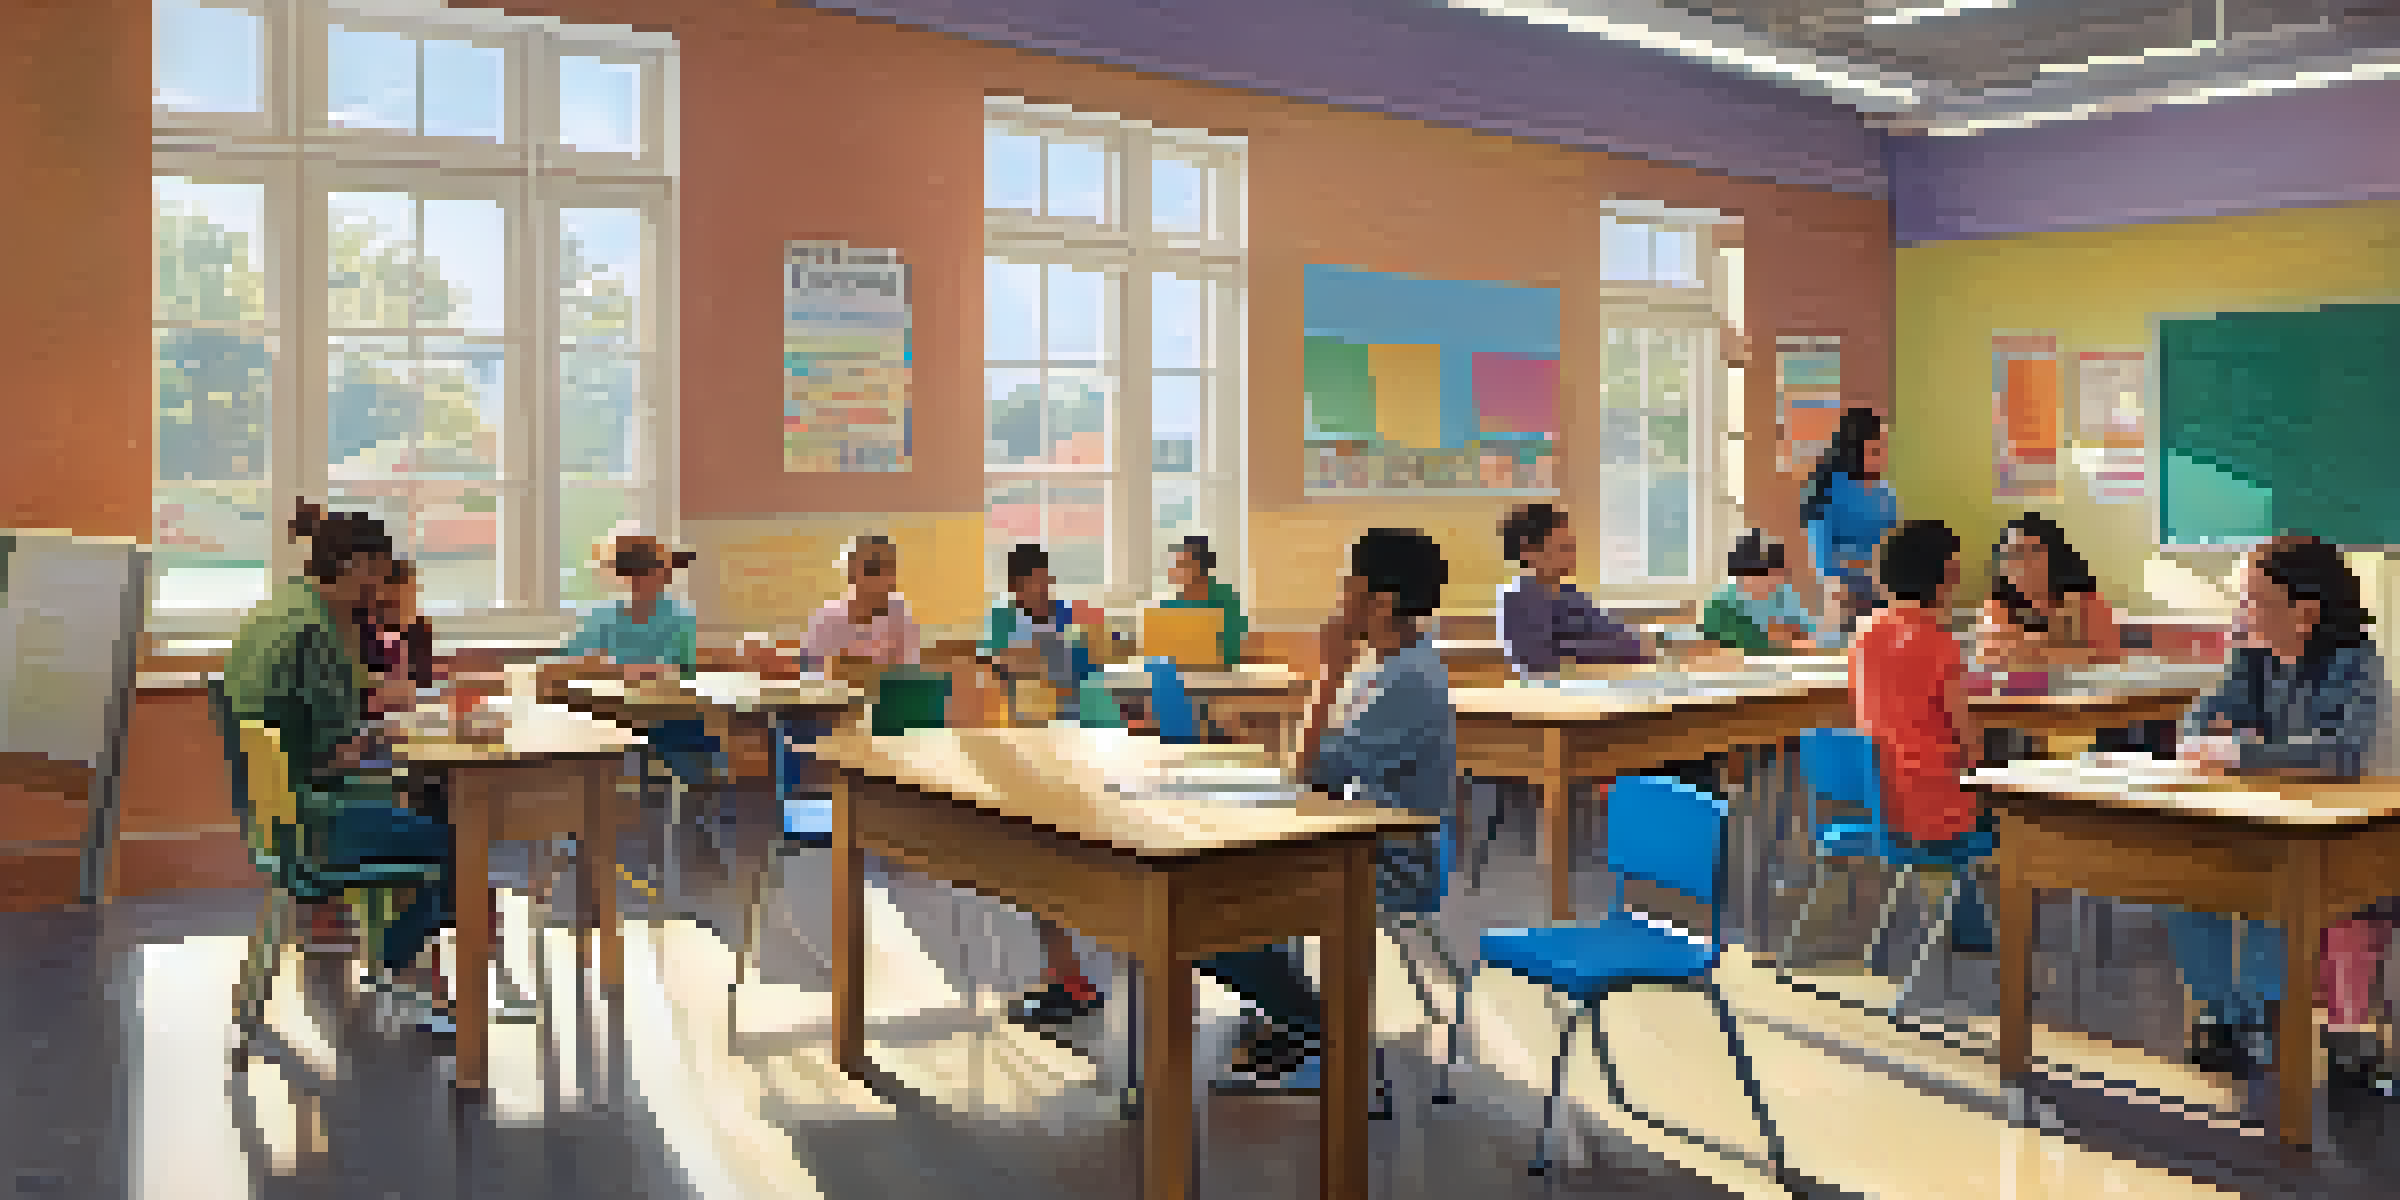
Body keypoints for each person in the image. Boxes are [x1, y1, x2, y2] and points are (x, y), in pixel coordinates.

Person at [1202, 528, 1458, 1085]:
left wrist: (1327, 672)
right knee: (1220, 892)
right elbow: (1315, 768)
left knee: (1207, 913)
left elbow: (1308, 775)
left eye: (1349, 587)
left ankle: (1320, 1033)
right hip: (1357, 842)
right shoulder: (1383, 665)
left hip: (1390, 864)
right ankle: (1296, 1024)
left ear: (1381, 603)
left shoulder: (1404, 680)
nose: (1339, 599)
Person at [2167, 535, 2392, 1085]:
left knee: (2293, 895)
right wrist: (2247, 747)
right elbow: (2196, 727)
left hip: (2355, 834)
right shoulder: (2252, 659)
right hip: (2271, 816)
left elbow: (2340, 755)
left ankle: (2288, 1017)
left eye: (2253, 600)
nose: (2242, 613)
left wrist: (2242, 750)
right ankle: (2227, 1014)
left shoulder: (2355, 663)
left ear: (2306, 611)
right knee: (2193, 883)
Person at [223, 502, 457, 1024]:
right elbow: (336, 751)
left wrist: (368, 716)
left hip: (276, 820)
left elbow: (309, 719)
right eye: (379, 571)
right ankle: (391, 965)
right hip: (316, 825)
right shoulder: (317, 630)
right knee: (467, 848)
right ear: (357, 566)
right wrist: (385, 734)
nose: (382, 585)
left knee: (425, 812)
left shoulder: (278, 609)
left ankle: (392, 966)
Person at [986, 544, 1121, 1027]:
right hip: (1026, 740)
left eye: (1047, 580)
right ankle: (1065, 977)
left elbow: (1088, 668)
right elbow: (995, 668)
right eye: (1034, 583)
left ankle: (1075, 979)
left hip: (1071, 738)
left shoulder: (1068, 617)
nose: (1044, 591)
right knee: (1039, 865)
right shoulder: (1003, 619)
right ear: (1017, 587)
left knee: (1056, 860)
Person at [1848, 520, 1992, 955]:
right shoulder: (1940, 641)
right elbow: (1966, 739)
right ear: (1946, 574)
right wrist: (1988, 764)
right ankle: (1986, 938)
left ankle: (1972, 932)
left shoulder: (1865, 631)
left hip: (1880, 799)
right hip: (1933, 805)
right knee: (2010, 809)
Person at [546, 531, 716, 787]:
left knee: (691, 753)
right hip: (610, 719)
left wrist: (648, 671)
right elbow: (569, 664)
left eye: (666, 571)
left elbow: (683, 669)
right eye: (656, 570)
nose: (665, 577)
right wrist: (622, 669)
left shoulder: (679, 616)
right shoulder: (602, 616)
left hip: (667, 718)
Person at [1495, 503, 1645, 678]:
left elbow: (1622, 637)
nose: (1571, 555)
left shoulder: (1568, 593)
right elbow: (1542, 664)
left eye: (1571, 546)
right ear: (1529, 551)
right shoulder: (1518, 600)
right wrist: (1590, 648)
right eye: (1562, 547)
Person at [1801, 407, 1899, 640]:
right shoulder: (1826, 487)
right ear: (1855, 448)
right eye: (1876, 449)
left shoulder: (1886, 494)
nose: (1883, 455)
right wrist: (1866, 564)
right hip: (1841, 593)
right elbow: (1823, 557)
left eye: (1885, 448)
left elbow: (1892, 548)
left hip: (1882, 593)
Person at [1975, 513, 2120, 670]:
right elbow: (1991, 661)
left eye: (2033, 552)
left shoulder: (2085, 600)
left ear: (2054, 556)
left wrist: (2031, 652)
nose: (2022, 563)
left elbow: (2111, 655)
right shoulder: (1997, 605)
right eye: (2014, 554)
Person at [802, 534, 921, 669]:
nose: (884, 579)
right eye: (873, 570)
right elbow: (809, 669)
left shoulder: (901, 618)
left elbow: (908, 673)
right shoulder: (827, 618)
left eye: (890, 570)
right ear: (852, 574)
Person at [1700, 529, 1819, 655]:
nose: (1774, 582)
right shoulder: (1722, 604)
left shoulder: (1784, 595)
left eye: (1778, 574)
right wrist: (1777, 639)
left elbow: (1808, 637)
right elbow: (1719, 647)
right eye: (1763, 574)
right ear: (1741, 576)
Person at [1156, 535, 1248, 669]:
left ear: (1200, 566)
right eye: (1174, 566)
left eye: (1182, 565)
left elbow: (1232, 651)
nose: (1174, 572)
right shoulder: (1176, 601)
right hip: (1177, 673)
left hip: (1216, 673)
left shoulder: (1225, 599)